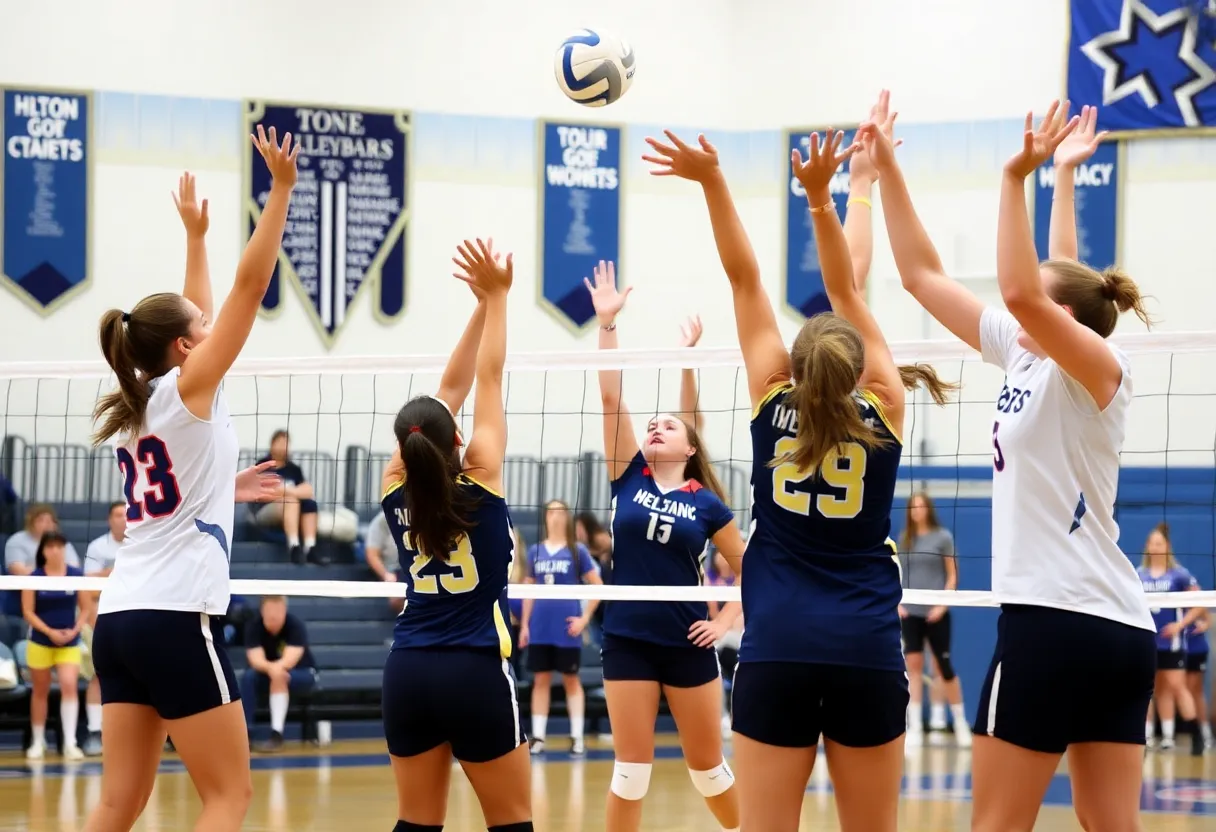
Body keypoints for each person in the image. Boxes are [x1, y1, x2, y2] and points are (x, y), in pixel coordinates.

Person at [645, 90, 951, 832]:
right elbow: (848, 286)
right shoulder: (885, 408)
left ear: (795, 364)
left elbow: (746, 279)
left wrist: (715, 182)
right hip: (866, 650)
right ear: (857, 367)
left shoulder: (766, 399)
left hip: (779, 648)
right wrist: (846, 192)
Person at [861, 100, 1157, 830]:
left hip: (1054, 625)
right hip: (1111, 630)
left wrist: (1011, 175)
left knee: (996, 824)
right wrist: (890, 170)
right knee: (1109, 825)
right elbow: (923, 276)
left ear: (1059, 319)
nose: (1009, 301)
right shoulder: (1026, 350)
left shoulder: (1097, 368)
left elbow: (1032, 287)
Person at [83, 139, 296, 832]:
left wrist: (195, 237)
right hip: (174, 617)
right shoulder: (189, 389)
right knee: (228, 798)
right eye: (200, 330)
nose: (211, 329)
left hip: (118, 620)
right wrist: (281, 192)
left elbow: (197, 309)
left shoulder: (134, 405)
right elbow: (247, 291)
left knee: (119, 803)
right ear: (185, 349)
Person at [585, 260, 745, 832]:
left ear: (689, 445)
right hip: (627, 639)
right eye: (652, 424)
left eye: (668, 425)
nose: (655, 427)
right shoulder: (629, 476)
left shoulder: (707, 502)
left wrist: (725, 619)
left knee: (709, 772)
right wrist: (607, 325)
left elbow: (752, 569)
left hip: (685, 640)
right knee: (630, 772)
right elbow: (610, 399)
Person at [380, 238, 532, 832]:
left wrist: (483, 305)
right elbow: (486, 379)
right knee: (511, 822)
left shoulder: (394, 485)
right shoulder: (484, 475)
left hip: (409, 669)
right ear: (458, 444)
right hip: (474, 668)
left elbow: (446, 396)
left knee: (417, 823)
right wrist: (496, 300)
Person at [518, 499, 602, 756]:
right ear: (545, 517)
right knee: (540, 680)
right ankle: (539, 737)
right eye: (551, 512)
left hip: (567, 628)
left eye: (560, 512)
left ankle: (577, 737)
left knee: (571, 680)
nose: (555, 516)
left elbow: (598, 586)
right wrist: (524, 625)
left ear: (566, 517)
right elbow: (528, 590)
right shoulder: (535, 551)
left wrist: (584, 619)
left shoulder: (578, 551)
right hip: (541, 626)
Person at [897, 491, 971, 748]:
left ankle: (961, 723)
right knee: (913, 667)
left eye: (921, 506)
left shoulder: (943, 538)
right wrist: (899, 603)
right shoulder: (905, 539)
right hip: (911, 612)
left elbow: (952, 575)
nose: (917, 510)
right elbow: (898, 575)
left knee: (943, 667)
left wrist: (942, 604)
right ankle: (914, 727)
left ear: (928, 508)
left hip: (936, 612)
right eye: (912, 507)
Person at [22, 531, 91, 760]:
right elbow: (28, 612)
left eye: (59, 546)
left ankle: (70, 743)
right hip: (40, 641)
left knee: (69, 685)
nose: (55, 550)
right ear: (43, 551)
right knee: (40, 691)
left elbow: (87, 608)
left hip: (69, 641)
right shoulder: (34, 577)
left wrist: (75, 629)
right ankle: (38, 740)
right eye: (50, 546)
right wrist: (50, 632)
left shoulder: (75, 575)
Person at [1138, 523, 1204, 754]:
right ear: (1146, 547)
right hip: (1146, 641)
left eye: (1160, 543)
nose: (1155, 548)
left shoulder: (1179, 574)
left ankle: (1196, 736)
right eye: (1152, 543)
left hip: (1172, 643)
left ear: (1167, 546)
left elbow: (1200, 603)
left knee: (1176, 687)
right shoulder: (1139, 575)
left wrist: (1180, 625)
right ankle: (1152, 738)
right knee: (1149, 690)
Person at [241, 596, 318, 752]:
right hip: (267, 673)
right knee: (248, 677)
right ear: (262, 611)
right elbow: (255, 659)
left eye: (279, 610)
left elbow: (289, 660)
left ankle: (277, 734)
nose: (274, 615)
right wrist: (273, 669)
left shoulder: (295, 625)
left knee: (280, 675)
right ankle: (245, 734)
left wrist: (276, 670)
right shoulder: (254, 627)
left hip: (302, 673)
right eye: (270, 611)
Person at [81, 500, 127, 756]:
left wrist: (109, 574)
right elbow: (88, 585)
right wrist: (111, 572)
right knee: (98, 675)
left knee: (143, 674)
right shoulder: (98, 546)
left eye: (126, 514)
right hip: (101, 616)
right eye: (118, 515)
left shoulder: (139, 544)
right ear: (110, 519)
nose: (123, 519)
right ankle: (94, 732)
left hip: (134, 615)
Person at [254, 429, 323, 565]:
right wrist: (292, 491)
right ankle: (293, 546)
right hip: (266, 510)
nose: (283, 446)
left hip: (291, 508)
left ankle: (310, 547)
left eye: (287, 443)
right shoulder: (263, 465)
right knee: (291, 500)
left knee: (310, 504)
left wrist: (284, 490)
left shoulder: (293, 469)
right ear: (272, 444)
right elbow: (266, 492)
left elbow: (308, 491)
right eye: (280, 442)